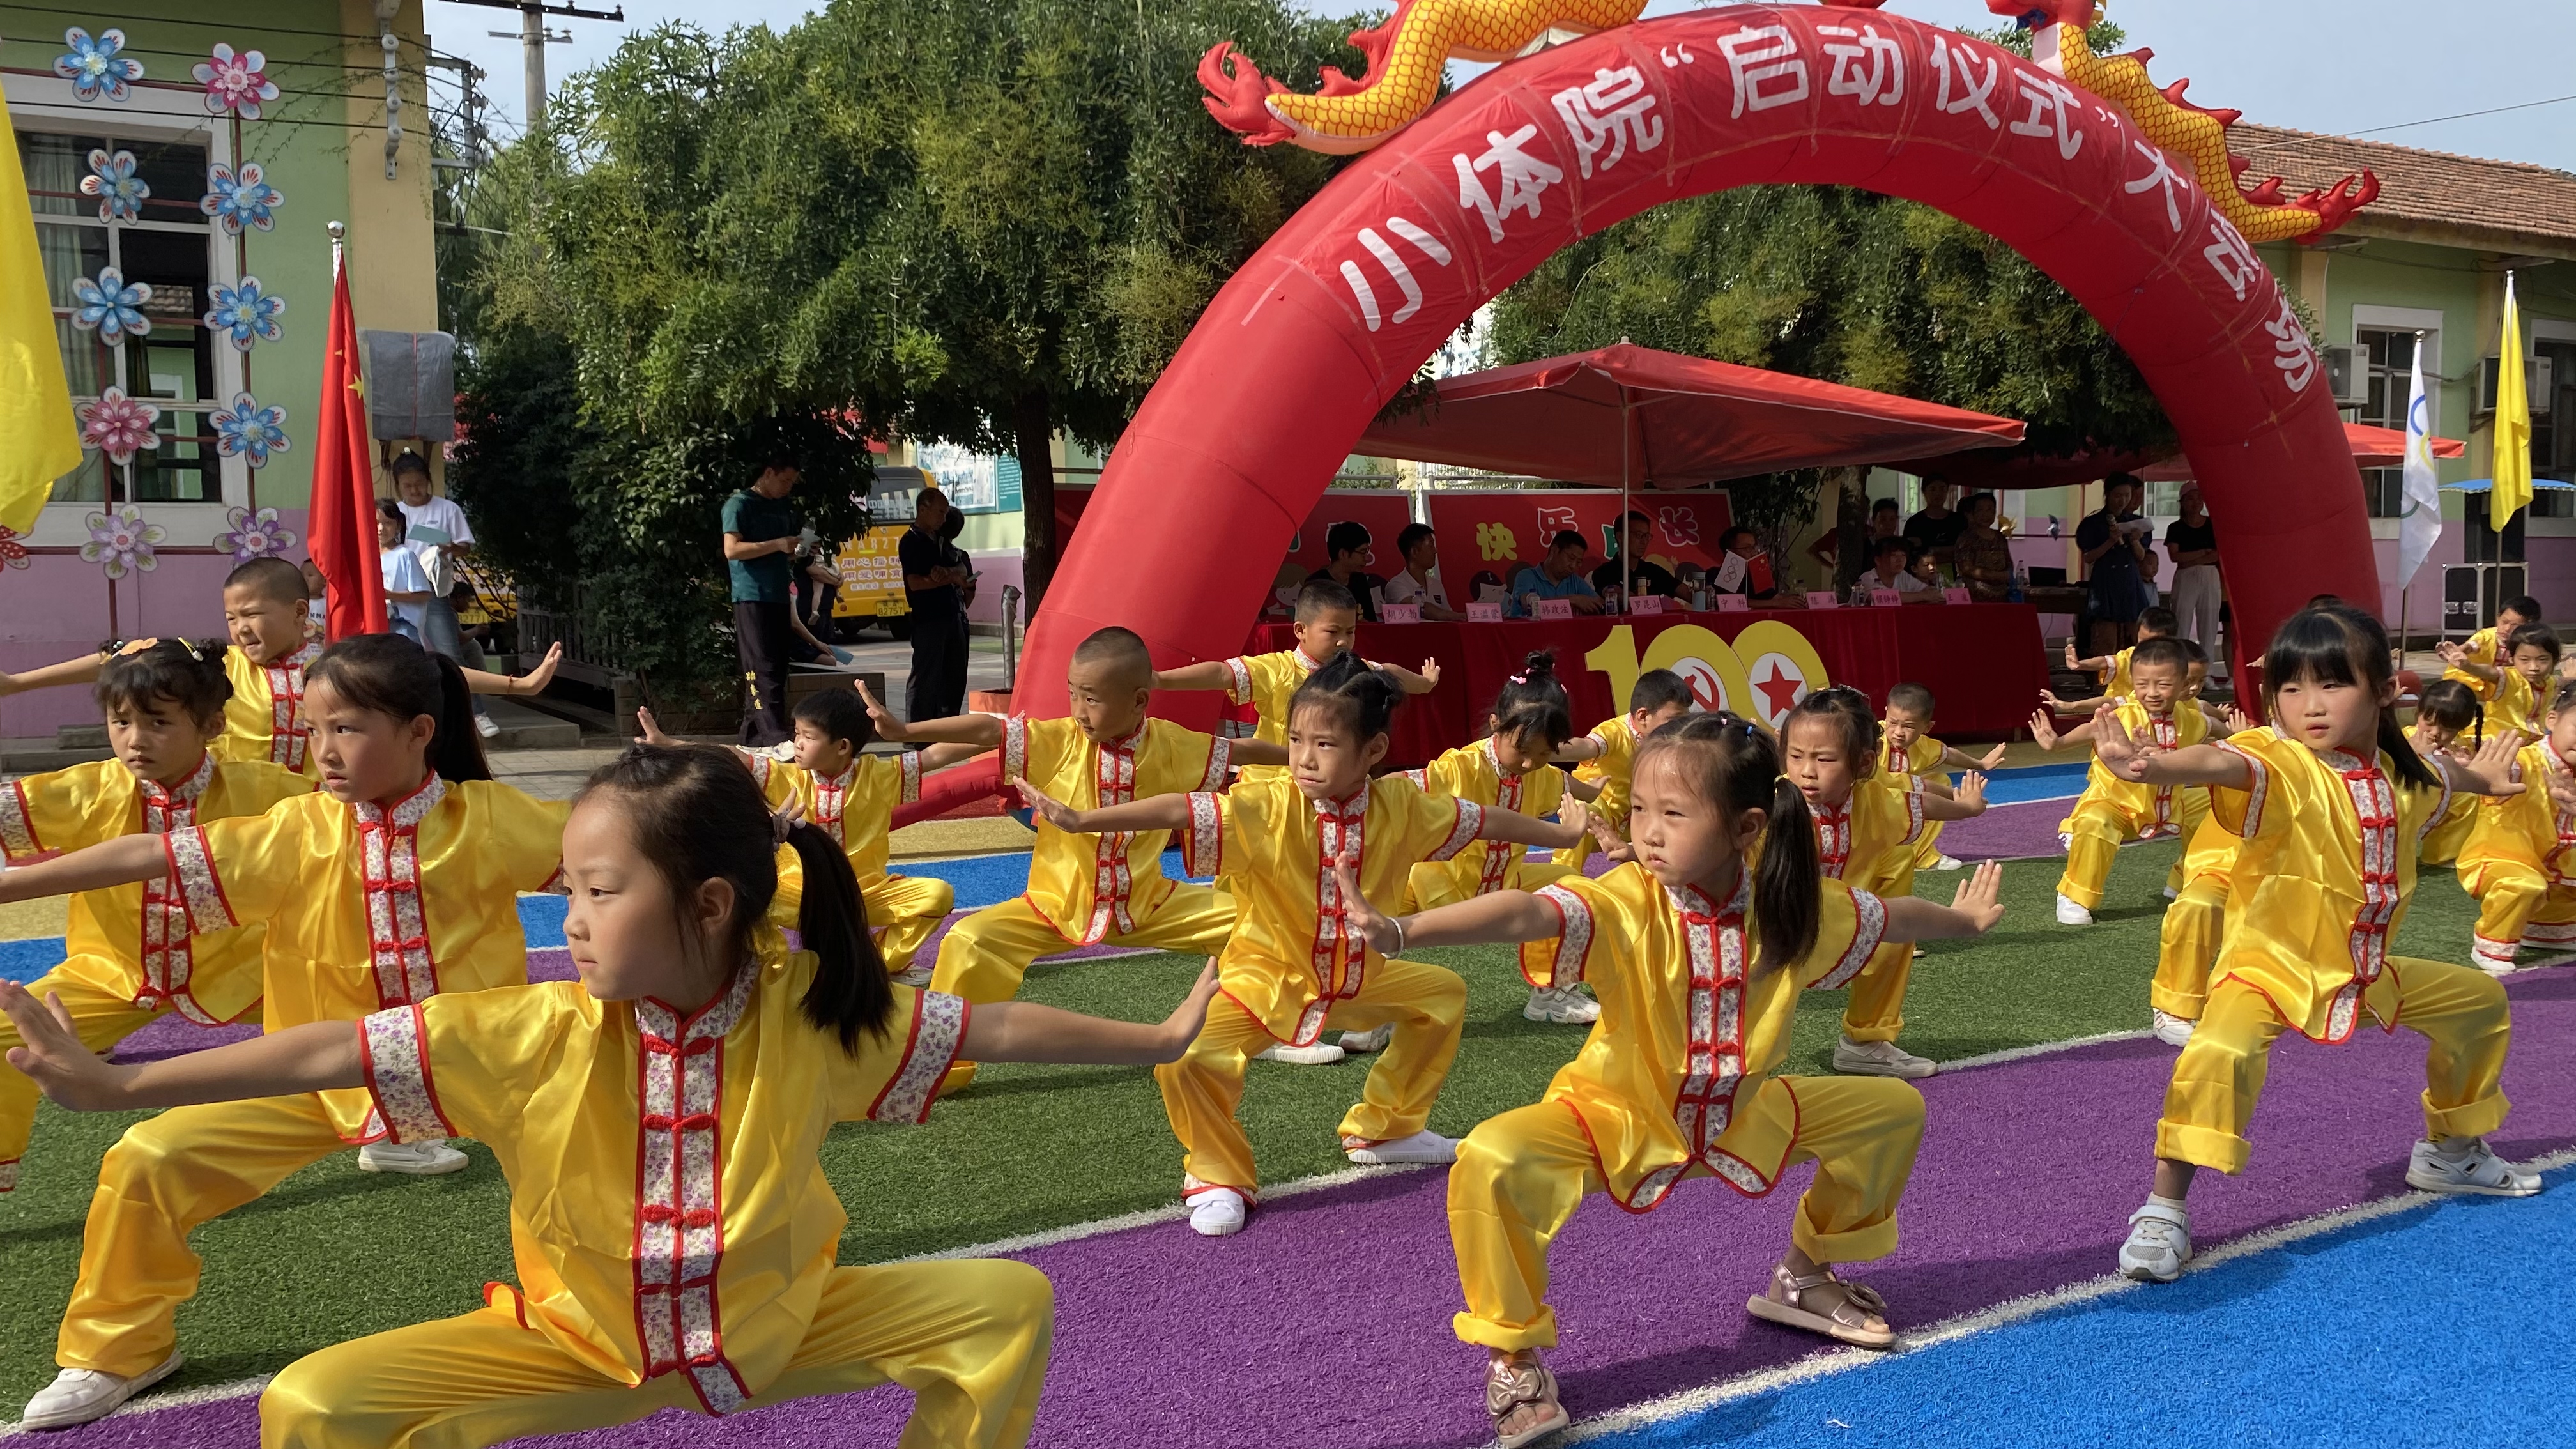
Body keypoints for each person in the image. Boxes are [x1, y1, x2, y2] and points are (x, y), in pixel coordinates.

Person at [0, 742, 1227, 1446]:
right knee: (315, 1403)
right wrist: (119, 1083)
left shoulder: (811, 1017)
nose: (570, 922)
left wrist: (1159, 1035)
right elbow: (323, 1051)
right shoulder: (527, 1031)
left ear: (707, 904)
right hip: (570, 1343)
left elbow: (994, 1021)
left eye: (595, 893)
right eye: (569, 895)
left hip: (778, 1328)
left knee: (1002, 1307)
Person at [1321, 714, 2004, 1447]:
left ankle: (1802, 1277)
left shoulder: (1792, 908)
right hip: (1613, 1116)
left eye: (1673, 814)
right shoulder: (1625, 900)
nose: (1646, 831)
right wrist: (1402, 931)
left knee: (1892, 1110)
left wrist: (1960, 922)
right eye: (1640, 809)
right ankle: (1513, 1356)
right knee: (1492, 1160)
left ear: (1746, 827)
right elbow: (1528, 911)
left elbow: (1888, 915)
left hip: (1749, 1115)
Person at [2, 636, 573, 1429]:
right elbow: (152, 855)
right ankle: (119, 1348)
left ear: (419, 732)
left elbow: (616, 856)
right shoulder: (294, 828)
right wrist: (8, 884)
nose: (325, 753)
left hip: (488, 1071)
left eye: (345, 729)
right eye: (312, 731)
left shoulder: (489, 820)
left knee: (597, 1173)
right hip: (325, 1077)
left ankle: (604, 1318)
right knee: (150, 1157)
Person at [1013, 654, 1589, 1238]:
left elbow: (1486, 820)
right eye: (1294, 740)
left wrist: (1563, 835)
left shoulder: (1405, 807)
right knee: (1187, 1058)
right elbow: (1180, 809)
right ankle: (1217, 1175)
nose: (1303, 758)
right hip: (1265, 979)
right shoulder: (1267, 805)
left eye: (1325, 744)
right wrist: (1087, 820)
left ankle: (1386, 1128)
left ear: (1374, 752)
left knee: (1442, 996)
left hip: (1360, 977)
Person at [2106, 606, 2543, 1287]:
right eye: (2290, 688)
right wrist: (2155, 765)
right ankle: (2165, 1208)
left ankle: (2450, 1152)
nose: (2308, 706)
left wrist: (2489, 779)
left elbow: (2443, 779)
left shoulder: (2407, 775)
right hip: (2264, 970)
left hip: (2361, 975)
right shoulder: (2280, 764)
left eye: (2332, 685)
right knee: (2219, 1053)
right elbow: (2224, 762)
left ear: (2385, 688)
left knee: (2479, 1003)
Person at [872, 627, 1289, 1087]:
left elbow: (1243, 750)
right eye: (1073, 695)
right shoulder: (1058, 741)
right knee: (971, 941)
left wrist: (1307, 759)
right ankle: (940, 1067)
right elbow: (989, 730)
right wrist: (907, 731)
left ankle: (1263, 1025)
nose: (1079, 711)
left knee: (1264, 921)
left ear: (1139, 701)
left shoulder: (1176, 745)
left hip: (1149, 904)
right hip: (1053, 907)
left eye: (1092, 699)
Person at [0, 641, 312, 1195]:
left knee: (362, 1004)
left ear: (213, 725)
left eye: (158, 722)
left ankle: (393, 1129)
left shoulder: (267, 790)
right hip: (113, 975)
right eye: (120, 722)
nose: (135, 739)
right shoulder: (89, 790)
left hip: (249, 970)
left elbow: (350, 820)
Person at [0, 559, 560, 780]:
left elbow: (430, 670)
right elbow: (111, 658)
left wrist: (520, 685)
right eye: (230, 617)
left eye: (251, 615)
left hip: (320, 809)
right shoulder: (210, 663)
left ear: (297, 612)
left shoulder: (335, 664)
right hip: (234, 807)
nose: (240, 628)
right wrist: (18, 684)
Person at [638, 687, 981, 985]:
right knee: (750, 900)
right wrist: (669, 745)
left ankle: (875, 966)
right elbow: (732, 758)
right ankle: (776, 974)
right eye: (796, 734)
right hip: (796, 893)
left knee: (937, 896)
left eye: (808, 736)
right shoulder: (785, 775)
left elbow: (935, 755)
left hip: (862, 892)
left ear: (843, 746)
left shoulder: (881, 775)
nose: (796, 744)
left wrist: (997, 732)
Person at [1781, 687, 1988, 1080]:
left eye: (1824, 759)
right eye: (1795, 756)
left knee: (1898, 870)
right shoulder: (1773, 803)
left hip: (1834, 923)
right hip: (1771, 934)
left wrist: (1967, 808)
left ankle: (1867, 1041)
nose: (1806, 770)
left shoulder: (1874, 800)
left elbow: (1918, 800)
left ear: (1863, 764)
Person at [1402, 653, 1613, 1027]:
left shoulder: (1545, 775)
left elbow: (1571, 785)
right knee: (1368, 902)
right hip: (1435, 891)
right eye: (1524, 750)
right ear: (1495, 725)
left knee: (1581, 891)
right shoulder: (1459, 768)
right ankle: (1376, 1010)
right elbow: (1398, 788)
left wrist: (1595, 791)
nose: (1531, 763)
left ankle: (1554, 993)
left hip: (1505, 888)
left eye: (1546, 753)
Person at [1153, 578, 1437, 784]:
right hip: (1271, 785)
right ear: (1300, 630)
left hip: (1330, 785)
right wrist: (1161, 680)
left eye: (1350, 631)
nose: (1344, 641)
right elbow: (1221, 673)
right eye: (1333, 631)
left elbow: (1388, 672)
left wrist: (1424, 684)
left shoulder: (1357, 672)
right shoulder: (1278, 669)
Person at [2029, 636, 2207, 926]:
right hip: (2119, 805)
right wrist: (2058, 743)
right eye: (2142, 684)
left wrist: (2243, 734)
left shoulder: (2192, 718)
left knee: (2218, 804)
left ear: (2183, 684)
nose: (2151, 693)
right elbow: (2093, 729)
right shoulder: (2124, 714)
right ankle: (2075, 895)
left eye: (2163, 685)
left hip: (2171, 804)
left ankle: (2191, 877)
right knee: (2095, 821)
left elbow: (2217, 730)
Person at [2453, 677, 2576, 974]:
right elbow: (2505, 772)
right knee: (2523, 884)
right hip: (2504, 860)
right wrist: (2477, 775)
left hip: (2560, 868)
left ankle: (2549, 928)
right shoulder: (2526, 760)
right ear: (2552, 720)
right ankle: (2492, 943)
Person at [390, 450, 500, 738]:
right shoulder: (395, 512)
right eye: (407, 486)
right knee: (401, 654)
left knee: (450, 654)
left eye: (419, 484)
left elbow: (465, 546)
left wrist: (445, 545)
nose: (414, 491)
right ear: (398, 487)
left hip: (434, 589)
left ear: (428, 481)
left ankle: (477, 713)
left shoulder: (447, 509)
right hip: (399, 591)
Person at [1882, 682, 2008, 875]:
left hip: (1898, 804)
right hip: (1866, 805)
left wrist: (1980, 764)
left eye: (1908, 726)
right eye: (1892, 722)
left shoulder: (1923, 746)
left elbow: (1949, 754)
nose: (1898, 732)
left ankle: (1921, 855)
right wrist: (1960, 800)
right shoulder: (1871, 738)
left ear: (1927, 727)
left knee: (1941, 780)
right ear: (1885, 713)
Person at [1562, 669, 1696, 848]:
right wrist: (1542, 749)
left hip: (1630, 826)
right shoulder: (1615, 733)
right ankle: (1563, 874)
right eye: (1673, 720)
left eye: (1684, 721)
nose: (1680, 727)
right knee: (1584, 810)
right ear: (1643, 717)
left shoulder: (1670, 743)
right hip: (1593, 820)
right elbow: (1587, 747)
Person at [723, 452, 804, 746]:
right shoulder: (739, 504)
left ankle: (752, 739)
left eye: (792, 483)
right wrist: (777, 544)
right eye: (784, 481)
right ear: (768, 473)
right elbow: (731, 550)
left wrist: (796, 549)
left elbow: (782, 550)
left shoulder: (782, 506)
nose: (787, 488)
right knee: (761, 668)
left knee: (777, 667)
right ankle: (775, 737)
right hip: (751, 596)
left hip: (778, 595)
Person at [900, 487, 974, 724]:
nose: (944, 518)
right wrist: (950, 578)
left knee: (955, 675)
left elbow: (962, 568)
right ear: (923, 510)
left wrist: (950, 573)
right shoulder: (911, 541)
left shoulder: (941, 541)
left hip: (953, 615)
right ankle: (918, 731)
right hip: (929, 618)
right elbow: (916, 583)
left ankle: (947, 724)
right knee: (926, 676)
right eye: (940, 512)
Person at [2439, 620, 2559, 744]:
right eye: (2524, 660)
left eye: (2542, 660)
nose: (2533, 667)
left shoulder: (2550, 682)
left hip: (2531, 745)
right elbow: (2491, 673)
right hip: (2493, 743)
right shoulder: (2509, 678)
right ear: (2512, 659)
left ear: (2555, 660)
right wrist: (2468, 666)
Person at [2076, 475, 2156, 657]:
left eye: (2127, 495)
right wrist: (2111, 540)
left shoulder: (2136, 521)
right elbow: (2089, 557)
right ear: (2108, 495)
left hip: (2130, 581)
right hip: (2105, 582)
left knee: (2139, 637)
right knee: (2106, 640)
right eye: (2118, 495)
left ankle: (2139, 680)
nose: (2123, 500)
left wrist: (2135, 541)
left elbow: (2141, 556)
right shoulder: (2093, 523)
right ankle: (2103, 683)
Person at [2410, 678, 2486, 869]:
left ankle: (2443, 854)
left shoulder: (2460, 747)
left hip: (2431, 803)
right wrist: (2420, 755)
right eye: (2429, 723)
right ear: (2418, 712)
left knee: (2470, 795)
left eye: (2448, 729)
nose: (2435, 733)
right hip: (2405, 802)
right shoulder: (2403, 738)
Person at [2163, 486, 2223, 676]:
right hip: (2186, 577)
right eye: (2190, 498)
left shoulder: (2212, 524)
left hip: (2210, 575)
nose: (2196, 502)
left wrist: (2193, 559)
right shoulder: (2176, 528)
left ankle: (2206, 673)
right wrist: (2200, 555)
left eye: (2199, 498)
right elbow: (2176, 557)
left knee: (2209, 624)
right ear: (2182, 502)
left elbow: (2216, 555)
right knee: (2182, 622)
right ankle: (2180, 671)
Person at [1808, 496, 1901, 593]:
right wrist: (1834, 568)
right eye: (1858, 509)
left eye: (1866, 509)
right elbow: (1812, 551)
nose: (1888, 524)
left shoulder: (1872, 532)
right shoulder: (1841, 535)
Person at [376, 500, 437, 645]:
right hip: (376, 625)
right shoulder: (367, 557)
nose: (381, 528)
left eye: (388, 523)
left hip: (402, 626)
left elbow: (425, 594)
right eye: (376, 522)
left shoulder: (404, 555)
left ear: (398, 525)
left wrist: (389, 595)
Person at [1383, 522, 1466, 621]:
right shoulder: (1396, 585)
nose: (1435, 551)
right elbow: (1415, 608)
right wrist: (1460, 616)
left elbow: (1449, 618)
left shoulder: (1436, 585)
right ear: (1414, 552)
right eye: (1431, 545)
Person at [1308, 521, 1388, 624]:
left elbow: (1371, 620)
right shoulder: (1316, 584)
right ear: (1343, 554)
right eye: (1362, 552)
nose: (1366, 558)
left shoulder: (1359, 580)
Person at [1509, 532, 1603, 617]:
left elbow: (1600, 604)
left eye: (1578, 562)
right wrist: (1572, 601)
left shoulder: (1574, 580)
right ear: (1554, 551)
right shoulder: (1526, 576)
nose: (1573, 566)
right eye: (1571, 558)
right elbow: (1530, 606)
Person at [1589, 511, 1677, 601]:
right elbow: (1612, 593)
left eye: (1646, 536)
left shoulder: (1655, 572)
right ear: (1620, 537)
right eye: (1639, 535)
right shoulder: (1603, 573)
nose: (1644, 542)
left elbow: (1686, 593)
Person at [1951, 492, 2015, 602]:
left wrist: (2007, 575)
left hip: (2002, 599)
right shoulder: (1966, 538)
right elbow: (1967, 568)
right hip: (1974, 599)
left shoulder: (2000, 538)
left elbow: (2009, 564)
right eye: (1981, 510)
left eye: (1990, 510)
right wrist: (1995, 576)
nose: (1986, 515)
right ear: (1973, 514)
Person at [1901, 478, 1965, 568]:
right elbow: (1910, 554)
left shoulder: (1958, 520)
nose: (1938, 494)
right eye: (1933, 489)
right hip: (1922, 575)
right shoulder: (1914, 522)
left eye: (1942, 489)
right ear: (1924, 491)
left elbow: (1964, 551)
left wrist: (1928, 548)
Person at [1711, 526, 1781, 603]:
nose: (1754, 553)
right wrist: (1774, 603)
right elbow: (1727, 602)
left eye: (1754, 547)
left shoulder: (1754, 577)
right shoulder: (1714, 576)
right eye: (1748, 548)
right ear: (1730, 552)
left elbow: (1777, 599)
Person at [1854, 536, 1924, 598]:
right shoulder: (1867, 578)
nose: (1900, 560)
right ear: (1878, 560)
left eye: (1903, 555)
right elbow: (1878, 597)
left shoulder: (1903, 575)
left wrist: (1930, 594)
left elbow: (1925, 590)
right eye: (1894, 555)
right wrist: (1923, 596)